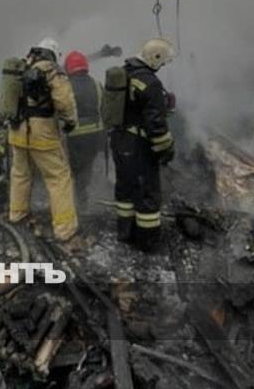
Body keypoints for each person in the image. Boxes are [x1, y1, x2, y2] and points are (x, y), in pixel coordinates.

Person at [8, 38, 80, 242]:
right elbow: (64, 102)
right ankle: (65, 228)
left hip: (17, 131)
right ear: (53, 54)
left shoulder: (21, 68)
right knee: (58, 178)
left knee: (20, 174)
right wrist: (70, 121)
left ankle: (17, 214)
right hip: (43, 134)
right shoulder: (52, 70)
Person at [110, 38, 176, 252]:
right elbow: (156, 126)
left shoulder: (124, 72)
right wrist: (166, 150)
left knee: (125, 188)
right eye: (162, 61)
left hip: (119, 140)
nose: (162, 65)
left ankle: (125, 234)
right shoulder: (151, 82)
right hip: (138, 145)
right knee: (147, 194)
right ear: (155, 58)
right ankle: (148, 243)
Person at [63, 51, 104, 211]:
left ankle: (75, 201)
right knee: (87, 166)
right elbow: (104, 108)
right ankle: (83, 197)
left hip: (74, 135)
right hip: (95, 134)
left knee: (72, 168)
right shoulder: (97, 84)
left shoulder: (65, 86)